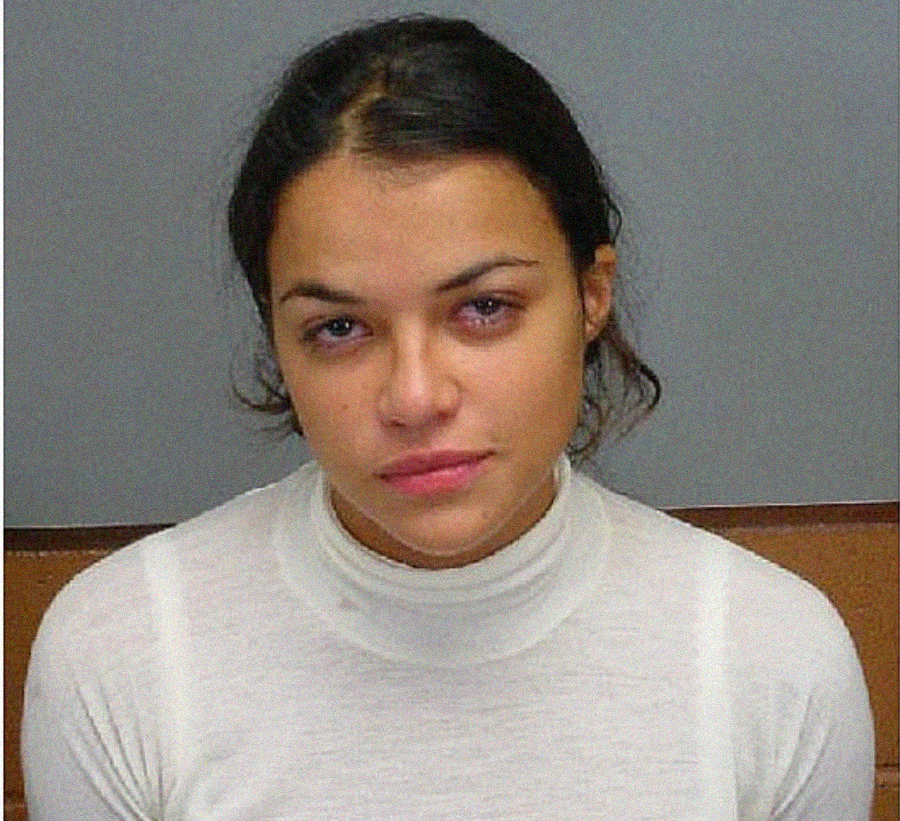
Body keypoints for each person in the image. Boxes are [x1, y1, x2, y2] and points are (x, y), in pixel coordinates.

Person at [23, 15, 873, 820]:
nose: (415, 396)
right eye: (340, 328)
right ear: (277, 338)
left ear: (590, 295)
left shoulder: (770, 658)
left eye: (485, 308)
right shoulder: (124, 653)